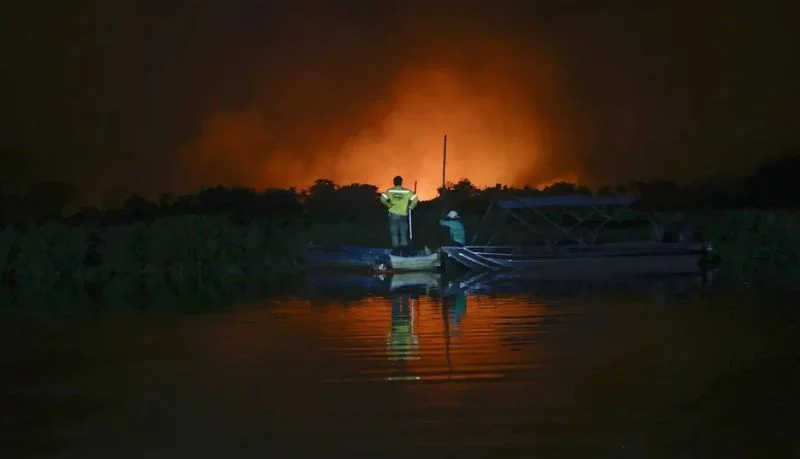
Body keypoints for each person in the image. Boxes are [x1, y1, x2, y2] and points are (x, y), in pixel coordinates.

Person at [380, 176, 418, 250]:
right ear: (401, 182)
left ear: (394, 182)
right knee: (403, 232)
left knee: (394, 233)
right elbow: (415, 199)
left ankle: (395, 249)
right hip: (403, 214)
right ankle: (403, 249)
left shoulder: (390, 191)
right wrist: (411, 206)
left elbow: (382, 198)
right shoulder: (407, 192)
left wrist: (389, 205)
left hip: (393, 214)